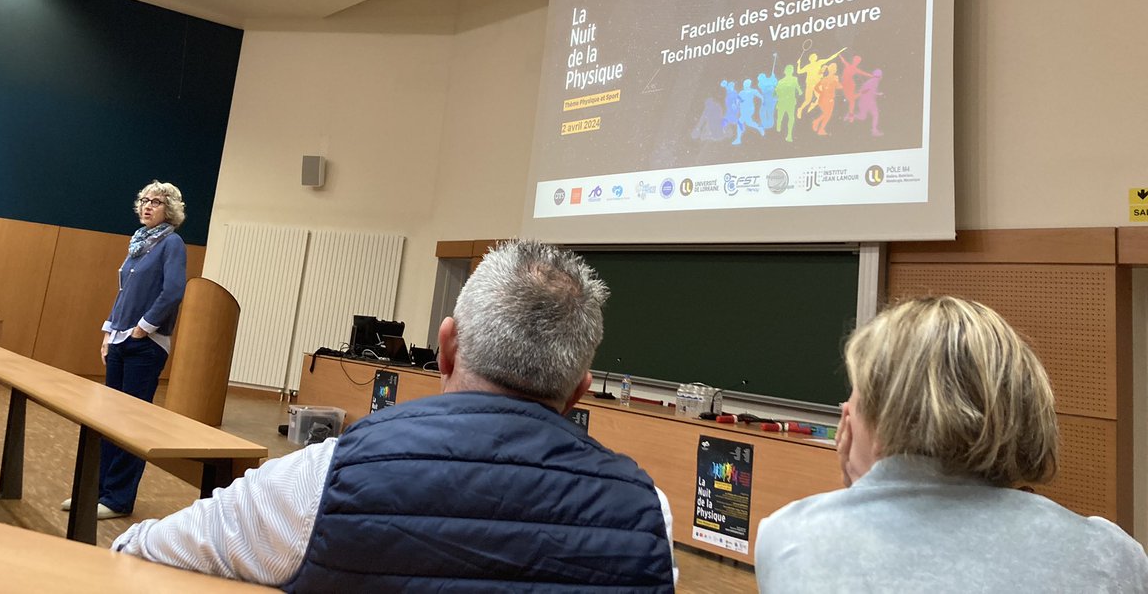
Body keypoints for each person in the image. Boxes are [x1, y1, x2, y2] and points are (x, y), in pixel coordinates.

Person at [113, 240, 678, 591]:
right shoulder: (648, 514)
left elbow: (143, 553)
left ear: (447, 348)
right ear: (579, 392)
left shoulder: (325, 475)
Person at [754, 296, 1148, 593]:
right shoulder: (1113, 557)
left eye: (856, 395)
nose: (844, 410)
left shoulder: (790, 536)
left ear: (884, 414)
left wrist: (864, 491)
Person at [62, 181, 187, 521]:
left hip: (145, 345)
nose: (148, 206)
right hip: (120, 340)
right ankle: (94, 492)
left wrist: (143, 327)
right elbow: (124, 294)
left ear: (170, 210)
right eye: (145, 200)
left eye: (157, 202)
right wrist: (109, 332)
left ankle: (117, 498)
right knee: (107, 420)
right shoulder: (138, 244)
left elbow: (174, 291)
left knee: (131, 422)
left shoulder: (171, 243)